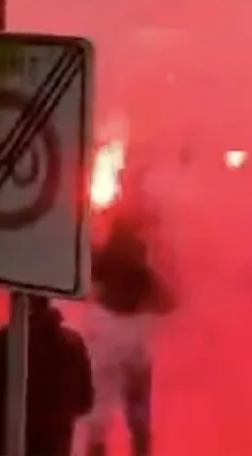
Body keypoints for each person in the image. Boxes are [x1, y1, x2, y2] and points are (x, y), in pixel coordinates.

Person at [0, 296, 95, 456]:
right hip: (54, 449)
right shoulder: (73, 345)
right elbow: (85, 402)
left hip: (11, 446)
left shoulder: (7, 340)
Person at [85, 185, 174, 456]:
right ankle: (140, 448)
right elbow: (166, 302)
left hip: (105, 334)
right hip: (134, 338)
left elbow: (88, 277)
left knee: (100, 407)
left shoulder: (104, 257)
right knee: (137, 408)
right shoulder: (141, 268)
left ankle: (97, 449)